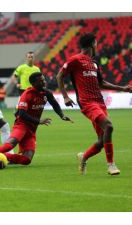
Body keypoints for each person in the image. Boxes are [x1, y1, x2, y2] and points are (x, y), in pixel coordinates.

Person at [56, 32, 132, 176]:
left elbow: (101, 83)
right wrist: (65, 96)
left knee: (102, 140)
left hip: (99, 102)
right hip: (87, 103)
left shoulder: (94, 64)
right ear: (92, 44)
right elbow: (59, 75)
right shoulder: (75, 60)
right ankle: (111, 165)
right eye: (96, 43)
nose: (97, 46)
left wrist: (123, 88)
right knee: (109, 126)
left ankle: (83, 157)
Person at [0, 72, 73, 170]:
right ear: (34, 83)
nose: (44, 82)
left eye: (44, 80)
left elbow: (54, 104)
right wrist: (39, 121)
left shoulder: (46, 93)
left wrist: (62, 115)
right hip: (21, 125)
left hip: (32, 129)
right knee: (10, 145)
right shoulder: (27, 94)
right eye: (41, 81)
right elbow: (22, 114)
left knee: (27, 160)